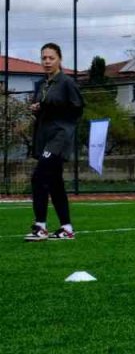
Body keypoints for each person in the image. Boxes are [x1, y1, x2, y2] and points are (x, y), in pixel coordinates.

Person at [24, 42, 83, 242]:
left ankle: (40, 226)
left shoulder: (67, 83)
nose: (47, 61)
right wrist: (37, 109)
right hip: (45, 137)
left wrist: (49, 106)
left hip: (60, 136)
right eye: (44, 58)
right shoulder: (42, 85)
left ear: (59, 59)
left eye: (51, 58)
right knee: (54, 181)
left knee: (39, 177)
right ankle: (67, 228)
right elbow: (43, 108)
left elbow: (77, 109)